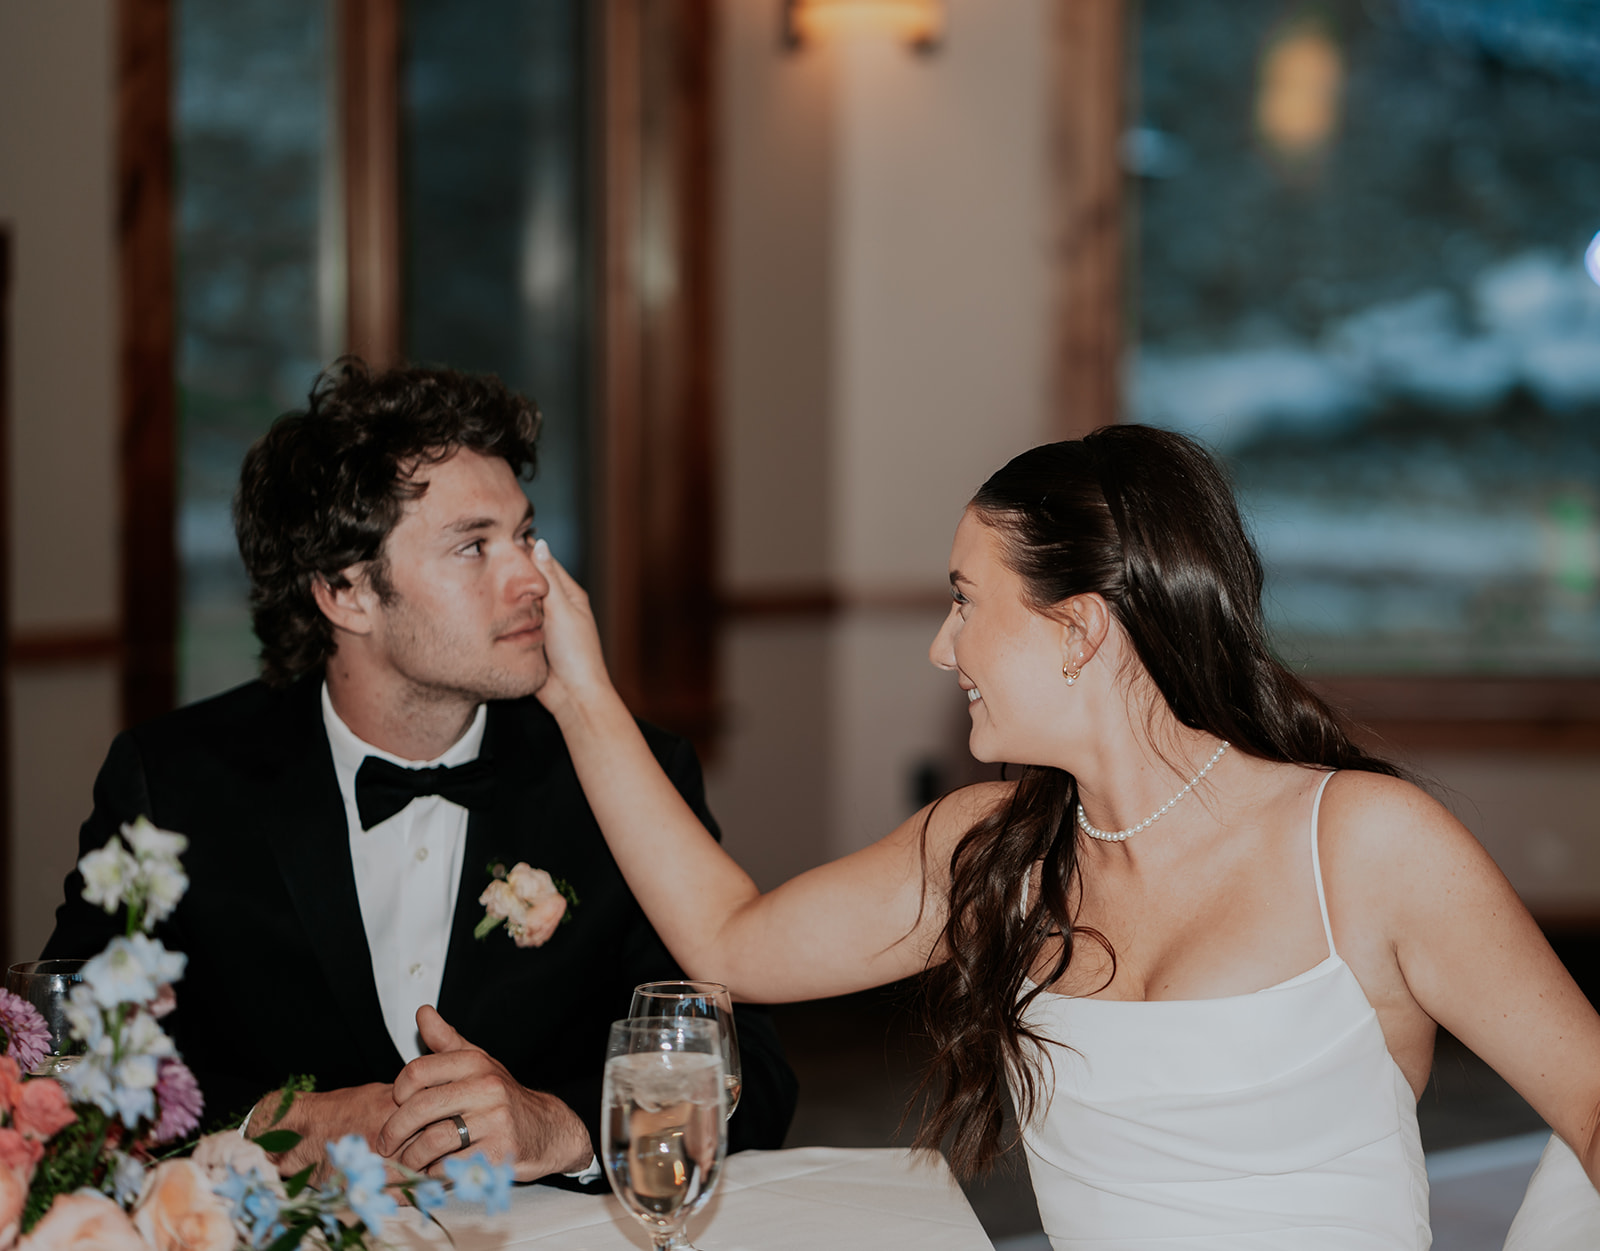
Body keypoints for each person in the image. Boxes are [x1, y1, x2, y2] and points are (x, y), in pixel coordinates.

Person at [527, 424, 1600, 1247]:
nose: (944, 650)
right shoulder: (993, 854)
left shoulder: (1363, 844)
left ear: (1080, 629)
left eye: (964, 601)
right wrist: (578, 692)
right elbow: (727, 942)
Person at [43, 360, 796, 1186]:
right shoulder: (175, 783)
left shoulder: (622, 775)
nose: (532, 579)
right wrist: (283, 1125)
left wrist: (565, 1126)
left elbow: (749, 1077)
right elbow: (70, 1062)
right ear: (346, 590)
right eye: (474, 546)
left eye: (526, 535)